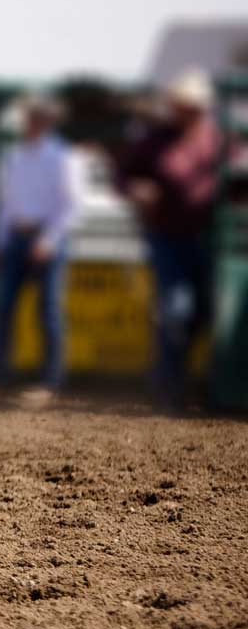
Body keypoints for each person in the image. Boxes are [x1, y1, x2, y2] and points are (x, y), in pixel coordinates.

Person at [117, 69, 222, 411]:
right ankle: (168, 387)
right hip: (168, 236)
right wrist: (135, 189)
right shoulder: (156, 139)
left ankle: (181, 382)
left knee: (206, 312)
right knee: (176, 311)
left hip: (209, 238)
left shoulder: (216, 138)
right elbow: (124, 174)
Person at [0, 96, 81, 404]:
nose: (32, 122)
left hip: (46, 240)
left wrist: (48, 240)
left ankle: (50, 382)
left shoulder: (62, 157)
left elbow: (71, 206)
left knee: (48, 311)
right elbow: (5, 205)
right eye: (30, 116)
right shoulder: (15, 156)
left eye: (38, 117)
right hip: (17, 238)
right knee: (2, 308)